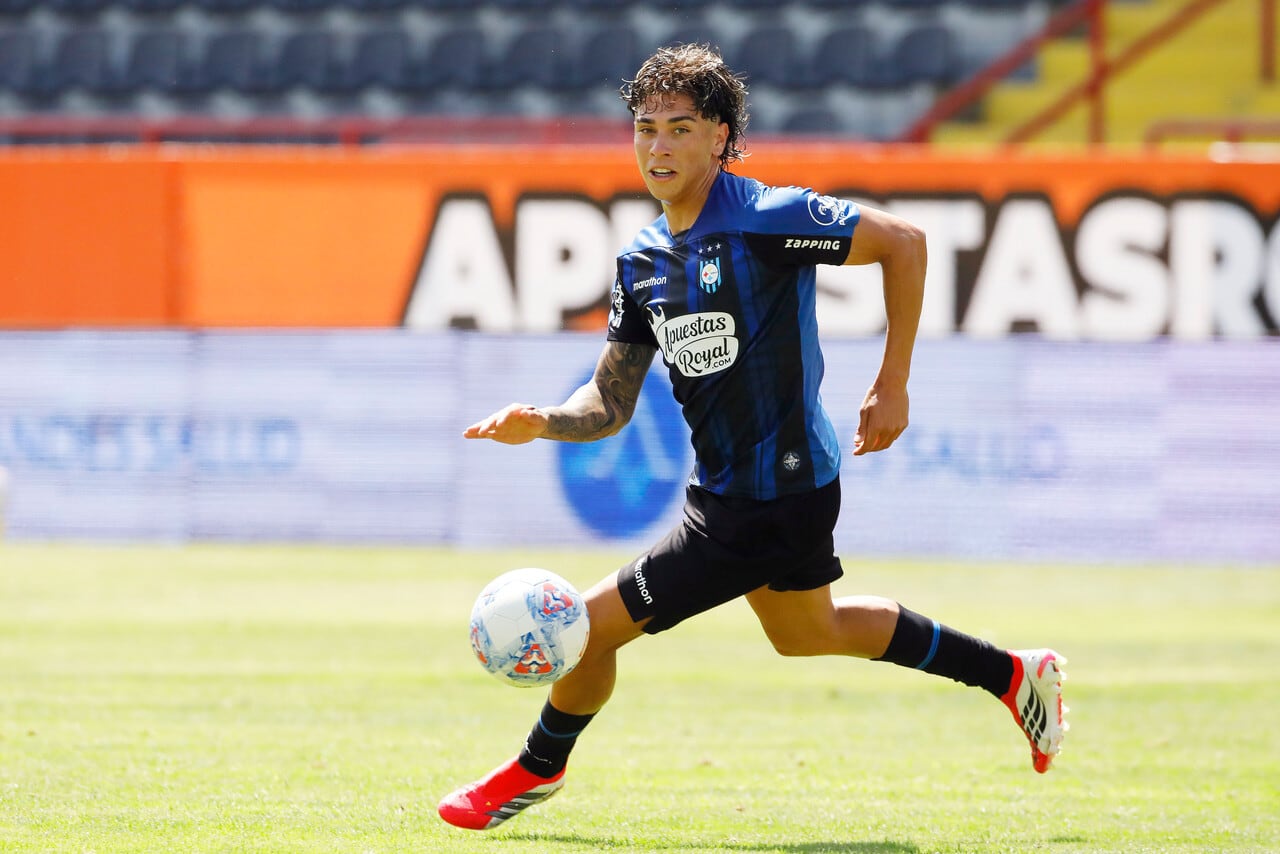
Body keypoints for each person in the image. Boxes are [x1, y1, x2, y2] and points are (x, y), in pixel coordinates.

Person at [438, 43, 1067, 831]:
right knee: (811, 633)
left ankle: (534, 772)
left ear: (721, 137)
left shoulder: (767, 219)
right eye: (645, 128)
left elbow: (903, 243)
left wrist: (892, 383)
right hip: (734, 490)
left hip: (770, 502)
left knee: (579, 629)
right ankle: (1014, 674)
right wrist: (543, 423)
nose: (659, 147)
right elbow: (609, 401)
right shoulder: (642, 262)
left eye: (680, 128)